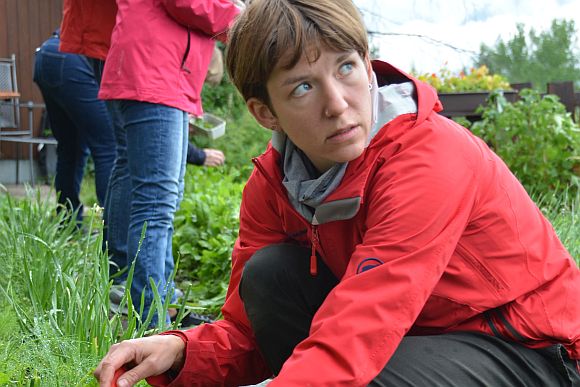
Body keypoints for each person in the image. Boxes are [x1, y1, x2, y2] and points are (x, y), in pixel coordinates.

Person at [95, 0, 579, 385]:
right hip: (421, 333)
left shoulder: (429, 157)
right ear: (266, 112)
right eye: (302, 87)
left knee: (362, 373)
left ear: (368, 67)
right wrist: (182, 351)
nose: (337, 103)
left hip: (532, 348)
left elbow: (362, 329)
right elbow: (246, 331)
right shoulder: (275, 184)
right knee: (269, 275)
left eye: (345, 67)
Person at [97, 0, 242, 327]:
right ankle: (149, 315)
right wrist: (239, 18)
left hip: (160, 73)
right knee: (156, 201)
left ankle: (154, 296)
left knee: (153, 194)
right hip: (154, 72)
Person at [33, 29, 115, 220]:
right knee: (107, 147)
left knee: (71, 147)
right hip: (72, 57)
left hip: (46, 53)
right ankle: (112, 229)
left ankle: (67, 222)